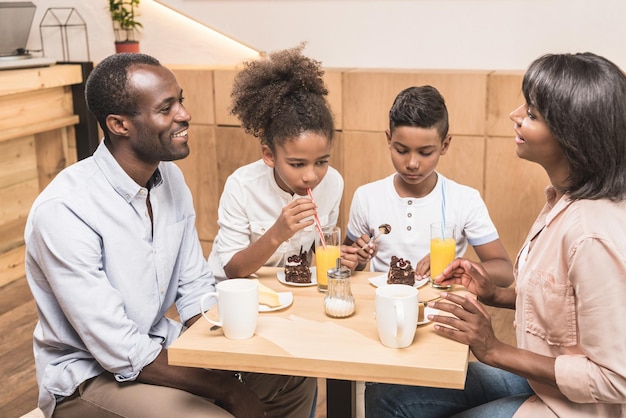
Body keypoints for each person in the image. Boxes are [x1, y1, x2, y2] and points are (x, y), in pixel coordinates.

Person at [24, 53, 316, 418]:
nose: (184, 114)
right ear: (119, 124)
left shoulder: (170, 180)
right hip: (90, 377)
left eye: (181, 100)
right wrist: (225, 387)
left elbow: (194, 286)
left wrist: (235, 349)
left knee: (291, 377)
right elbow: (118, 348)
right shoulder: (65, 210)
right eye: (167, 108)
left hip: (159, 348)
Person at [365, 52, 626, 417]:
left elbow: (616, 379)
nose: (515, 116)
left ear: (573, 135)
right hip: (547, 383)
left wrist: (494, 349)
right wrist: (494, 293)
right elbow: (565, 309)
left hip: (579, 407)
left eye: (532, 114)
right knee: (387, 395)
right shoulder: (560, 202)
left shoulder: (592, 234)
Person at [208, 44, 358, 282]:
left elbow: (319, 245)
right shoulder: (242, 186)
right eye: (297, 164)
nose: (311, 176)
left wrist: (340, 255)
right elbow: (232, 269)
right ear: (269, 155)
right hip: (236, 290)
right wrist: (278, 233)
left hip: (291, 289)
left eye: (321, 162)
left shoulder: (333, 183)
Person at [344, 85, 513, 286]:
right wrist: (358, 260)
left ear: (445, 145)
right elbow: (348, 262)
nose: (412, 163)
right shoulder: (367, 197)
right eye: (401, 150)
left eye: (425, 153)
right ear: (389, 140)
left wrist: (457, 265)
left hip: (441, 310)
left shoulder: (465, 200)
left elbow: (504, 273)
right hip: (382, 307)